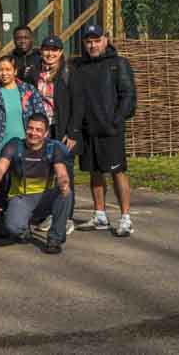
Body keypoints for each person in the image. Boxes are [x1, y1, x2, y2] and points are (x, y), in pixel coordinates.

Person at [70, 24, 137, 237]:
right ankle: (100, 215)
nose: (93, 45)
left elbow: (128, 96)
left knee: (118, 171)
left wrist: (116, 120)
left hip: (111, 130)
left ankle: (125, 218)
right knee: (94, 172)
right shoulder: (79, 67)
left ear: (105, 40)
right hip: (89, 131)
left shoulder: (119, 64)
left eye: (97, 40)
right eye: (89, 41)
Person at [0, 113, 73, 254]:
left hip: (45, 198)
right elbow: (1, 167)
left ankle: (55, 239)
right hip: (22, 198)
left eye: (38, 130)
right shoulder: (15, 145)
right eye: (30, 128)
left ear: (46, 133)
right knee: (13, 227)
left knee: (66, 193)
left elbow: (61, 171)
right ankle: (19, 225)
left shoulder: (53, 148)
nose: (33, 133)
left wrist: (63, 182)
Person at [26, 35, 76, 235]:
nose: (50, 54)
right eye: (47, 49)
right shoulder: (33, 73)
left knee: (65, 171)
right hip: (40, 129)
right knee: (46, 171)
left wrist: (72, 132)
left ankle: (67, 216)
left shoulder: (68, 72)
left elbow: (77, 104)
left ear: (61, 52)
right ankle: (48, 213)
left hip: (61, 128)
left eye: (54, 50)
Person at [0, 55, 46, 209]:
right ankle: (3, 222)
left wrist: (38, 142)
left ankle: (23, 219)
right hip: (0, 148)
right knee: (2, 187)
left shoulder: (28, 90)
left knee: (22, 188)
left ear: (15, 71)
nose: (4, 73)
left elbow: (40, 116)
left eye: (8, 69)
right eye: (1, 70)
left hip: (25, 147)